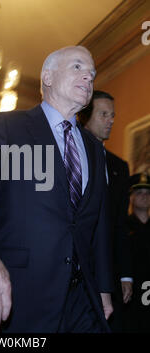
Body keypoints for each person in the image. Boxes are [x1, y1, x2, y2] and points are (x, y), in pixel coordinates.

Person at [0, 45, 114, 333]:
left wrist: (103, 286)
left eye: (92, 74)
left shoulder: (94, 147)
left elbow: (99, 222)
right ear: (48, 77)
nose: (88, 78)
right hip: (17, 293)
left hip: (82, 300)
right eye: (78, 67)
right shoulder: (6, 127)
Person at [78, 90, 133, 332]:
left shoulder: (120, 168)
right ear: (85, 117)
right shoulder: (69, 156)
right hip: (73, 267)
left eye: (112, 115)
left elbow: (120, 224)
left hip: (107, 272)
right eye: (103, 115)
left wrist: (126, 276)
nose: (110, 120)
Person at [123, 172, 150, 332]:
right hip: (130, 296)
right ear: (131, 197)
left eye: (148, 193)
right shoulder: (123, 227)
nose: (144, 196)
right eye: (139, 192)